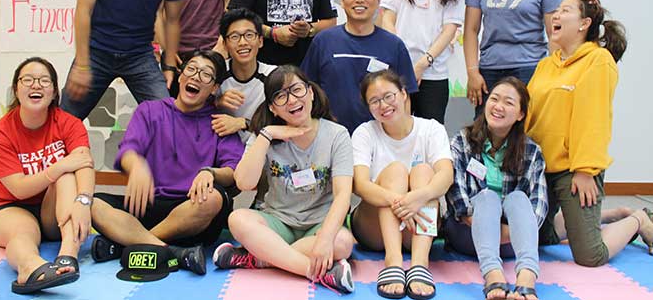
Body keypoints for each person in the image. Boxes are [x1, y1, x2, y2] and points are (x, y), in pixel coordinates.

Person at [526, 0, 653, 266]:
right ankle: (611, 215)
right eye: (556, 10)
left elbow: (594, 120)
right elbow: (530, 117)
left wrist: (585, 170)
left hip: (574, 170)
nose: (556, 15)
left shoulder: (598, 60)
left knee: (590, 256)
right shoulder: (546, 65)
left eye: (565, 11)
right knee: (535, 237)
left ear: (584, 24)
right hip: (541, 169)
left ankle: (638, 219)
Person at [89, 50, 244, 276]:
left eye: (206, 74)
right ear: (180, 76)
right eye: (191, 69)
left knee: (213, 198)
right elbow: (129, 150)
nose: (196, 77)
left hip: (192, 209)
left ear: (214, 88)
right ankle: (171, 251)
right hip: (150, 203)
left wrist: (210, 172)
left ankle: (127, 244)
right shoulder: (150, 110)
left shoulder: (220, 121)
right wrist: (137, 166)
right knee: (92, 204)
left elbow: (233, 172)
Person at [212, 65, 355, 294]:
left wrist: (325, 239)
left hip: (319, 224)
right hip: (278, 221)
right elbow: (244, 183)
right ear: (273, 108)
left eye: (297, 90)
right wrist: (267, 135)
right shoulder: (265, 135)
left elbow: (343, 195)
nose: (292, 100)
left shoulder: (337, 134)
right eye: (281, 96)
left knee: (342, 243)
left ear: (310, 92)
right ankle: (314, 271)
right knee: (238, 219)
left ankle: (261, 257)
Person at [0, 57, 95, 294]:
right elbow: (19, 188)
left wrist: (84, 200)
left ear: (54, 91)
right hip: (11, 207)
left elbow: (84, 163)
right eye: (28, 80)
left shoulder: (69, 123)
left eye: (44, 81)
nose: (36, 85)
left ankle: (68, 254)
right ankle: (30, 268)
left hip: (53, 210)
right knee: (23, 232)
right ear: (16, 89)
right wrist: (57, 167)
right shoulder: (0, 133)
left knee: (67, 176)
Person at [351, 70, 453, 299]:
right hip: (374, 228)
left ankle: (420, 263)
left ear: (404, 94)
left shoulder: (431, 129)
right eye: (374, 101)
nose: (383, 105)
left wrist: (418, 197)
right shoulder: (364, 133)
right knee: (396, 171)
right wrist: (401, 202)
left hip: (418, 227)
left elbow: (446, 175)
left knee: (424, 171)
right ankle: (393, 261)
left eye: (389, 96)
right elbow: (360, 185)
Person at [446, 77, 547, 300]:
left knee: (518, 198)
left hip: (512, 241)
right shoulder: (462, 141)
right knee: (487, 197)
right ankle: (492, 274)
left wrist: (508, 232)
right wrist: (488, 228)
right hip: (467, 233)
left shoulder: (531, 151)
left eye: (508, 102)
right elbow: (456, 195)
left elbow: (538, 206)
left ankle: (527, 277)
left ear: (520, 114)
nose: (498, 106)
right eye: (494, 99)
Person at [302, 0, 417, 134]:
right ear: (342, 1)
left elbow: (405, 98)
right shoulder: (323, 41)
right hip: (330, 135)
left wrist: (400, 136)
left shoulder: (394, 45)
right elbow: (307, 89)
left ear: (378, 0)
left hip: (379, 136)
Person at [381, 0, 464, 123]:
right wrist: (401, 58)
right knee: (395, 126)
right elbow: (387, 17)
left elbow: (449, 30)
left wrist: (421, 65)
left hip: (433, 76)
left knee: (429, 131)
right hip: (398, 71)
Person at [212, 8, 275, 146]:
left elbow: (286, 122)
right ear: (225, 44)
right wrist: (216, 102)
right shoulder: (216, 73)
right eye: (234, 37)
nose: (242, 42)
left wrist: (244, 123)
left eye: (249, 35)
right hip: (222, 148)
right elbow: (193, 110)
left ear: (260, 41)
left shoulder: (274, 76)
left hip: (264, 149)